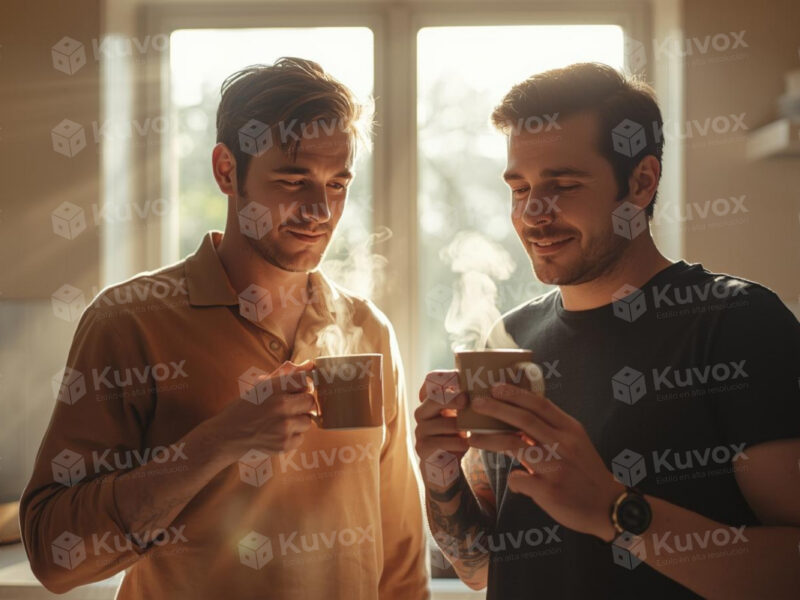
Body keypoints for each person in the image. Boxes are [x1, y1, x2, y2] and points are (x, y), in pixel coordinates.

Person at [21, 57, 428, 599]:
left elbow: (399, 562)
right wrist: (219, 440)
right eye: (292, 179)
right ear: (226, 171)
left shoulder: (366, 329)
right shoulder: (130, 321)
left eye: (338, 183)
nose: (319, 210)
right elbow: (54, 554)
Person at [414, 62, 800, 599]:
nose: (532, 214)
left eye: (563, 185)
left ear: (640, 183)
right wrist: (442, 479)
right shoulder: (508, 339)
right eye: (519, 188)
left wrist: (612, 510)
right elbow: (481, 569)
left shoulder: (738, 323)